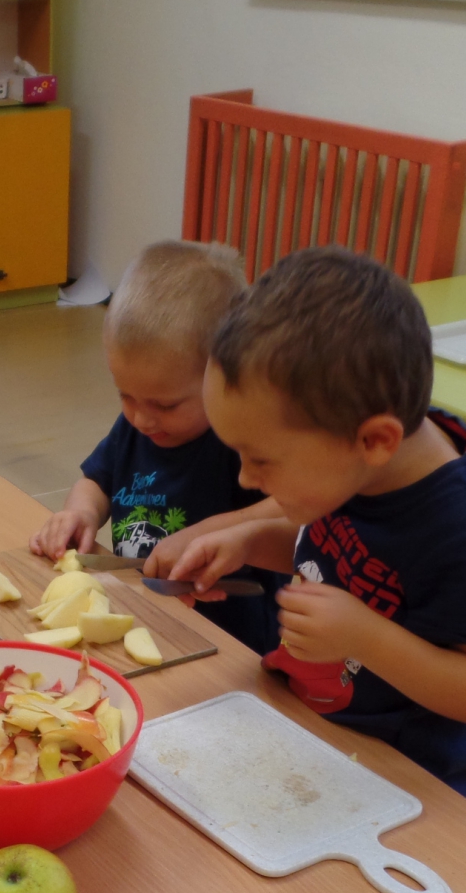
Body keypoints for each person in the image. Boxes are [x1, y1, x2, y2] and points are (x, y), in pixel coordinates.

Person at [168, 247, 466, 795]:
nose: (246, 479)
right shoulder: (354, 465)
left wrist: (365, 639)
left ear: (374, 440)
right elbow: (329, 555)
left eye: (262, 460)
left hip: (397, 779)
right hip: (306, 727)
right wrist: (248, 541)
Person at [29, 241, 283, 654]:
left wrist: (209, 533)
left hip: (229, 645)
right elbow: (97, 480)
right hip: (145, 620)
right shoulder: (136, 428)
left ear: (227, 376)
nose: (142, 418)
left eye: (165, 405)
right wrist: (80, 513)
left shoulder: (242, 442)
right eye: (125, 396)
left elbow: (293, 510)